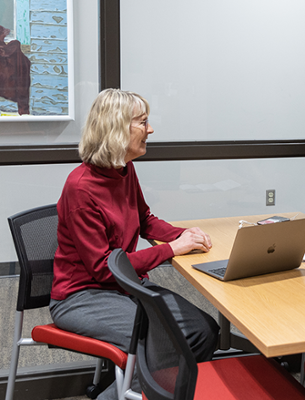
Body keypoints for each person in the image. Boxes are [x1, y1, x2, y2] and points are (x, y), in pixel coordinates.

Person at [49, 89, 219, 399]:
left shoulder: (123, 169)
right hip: (82, 296)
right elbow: (103, 269)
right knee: (170, 340)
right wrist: (171, 249)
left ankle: (159, 393)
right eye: (143, 122)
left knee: (205, 329)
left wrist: (184, 234)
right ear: (117, 128)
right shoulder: (81, 188)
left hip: (126, 287)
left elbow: (145, 220)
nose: (150, 129)